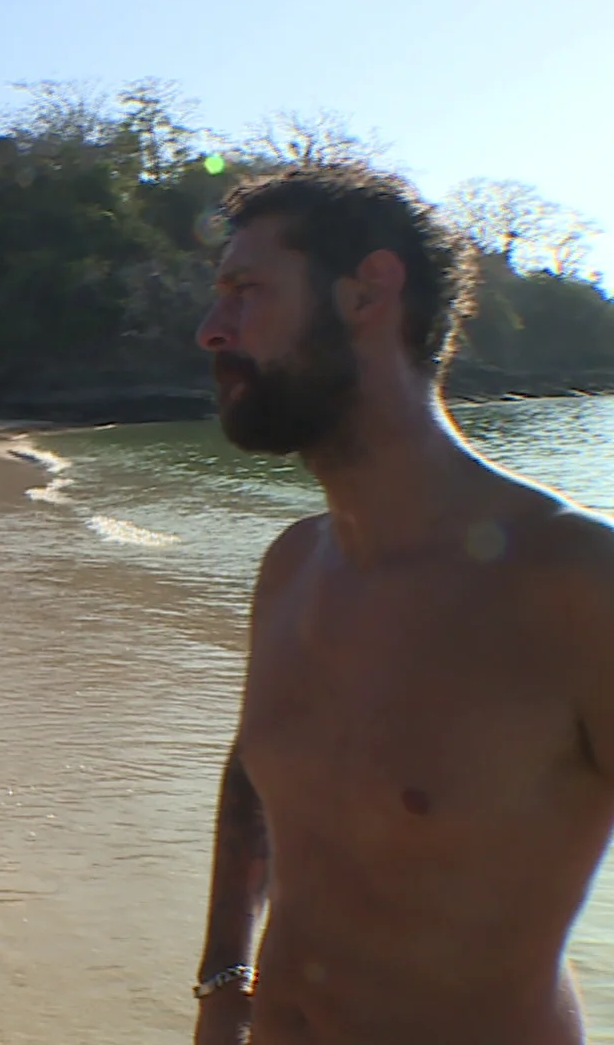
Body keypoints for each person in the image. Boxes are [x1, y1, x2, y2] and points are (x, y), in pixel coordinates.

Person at [191, 164, 614, 1044]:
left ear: (367, 292)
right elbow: (257, 776)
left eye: (245, 291)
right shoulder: (294, 565)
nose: (211, 330)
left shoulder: (573, 582)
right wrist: (225, 985)